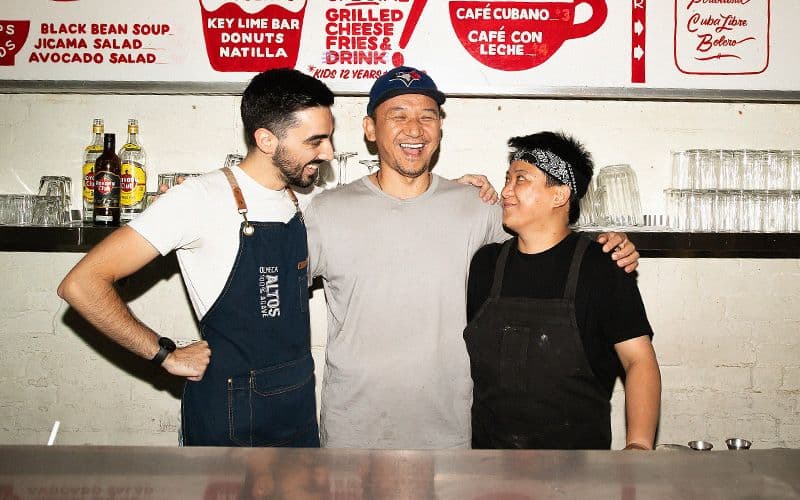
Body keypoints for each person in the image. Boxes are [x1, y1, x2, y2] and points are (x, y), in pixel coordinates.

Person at [303, 66, 641, 449]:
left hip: (449, 438)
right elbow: (273, 297)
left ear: (439, 129)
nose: (415, 129)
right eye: (398, 115)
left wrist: (608, 245)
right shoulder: (327, 211)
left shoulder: (476, 207)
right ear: (369, 129)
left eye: (427, 116)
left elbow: (548, 236)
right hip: (352, 436)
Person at [57, 68, 336, 447]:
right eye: (315, 141)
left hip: (296, 403)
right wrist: (164, 355)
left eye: (328, 138)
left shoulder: (298, 198)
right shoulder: (198, 198)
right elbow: (81, 284)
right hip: (232, 413)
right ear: (266, 140)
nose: (328, 152)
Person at [465, 131, 661, 450]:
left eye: (520, 179)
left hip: (577, 468)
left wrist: (638, 445)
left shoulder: (602, 267)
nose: (506, 191)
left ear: (559, 195)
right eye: (507, 179)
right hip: (489, 466)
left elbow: (639, 360)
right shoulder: (485, 264)